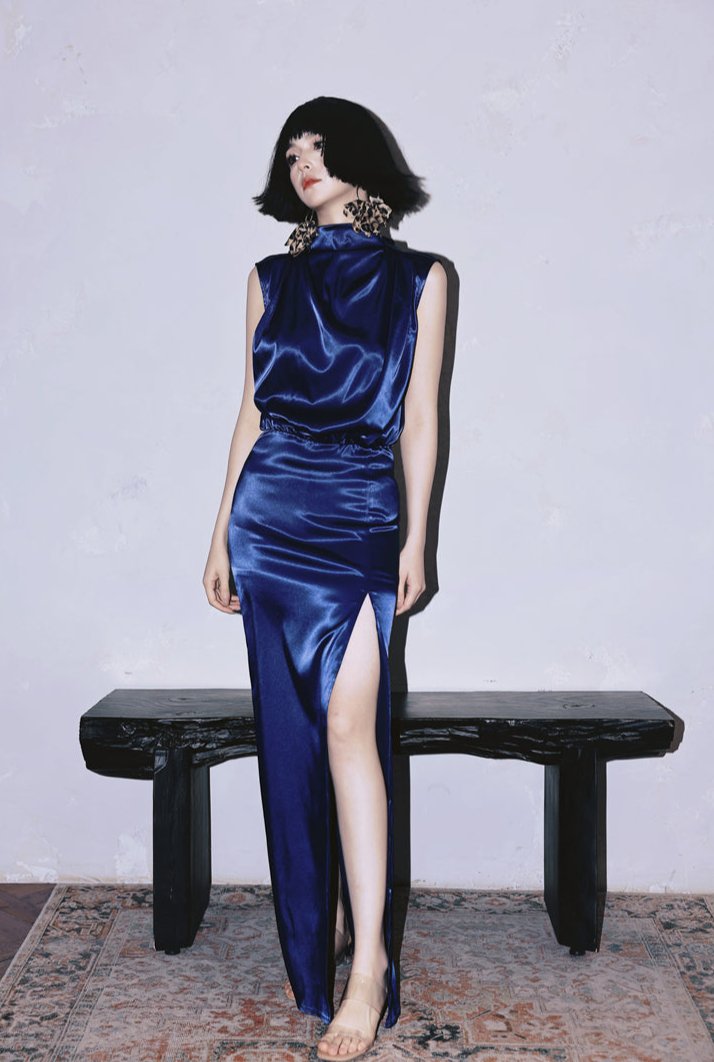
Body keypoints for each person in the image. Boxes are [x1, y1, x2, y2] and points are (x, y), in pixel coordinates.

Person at [203, 96, 447, 1060]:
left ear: (360, 158)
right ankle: (326, 929)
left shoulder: (423, 277)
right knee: (294, 732)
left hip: (359, 514)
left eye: (319, 146)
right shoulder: (270, 278)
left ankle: (368, 963)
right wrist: (219, 535)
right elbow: (251, 412)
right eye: (292, 151)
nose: (304, 162)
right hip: (270, 515)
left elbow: (421, 419)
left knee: (350, 725)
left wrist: (416, 541)